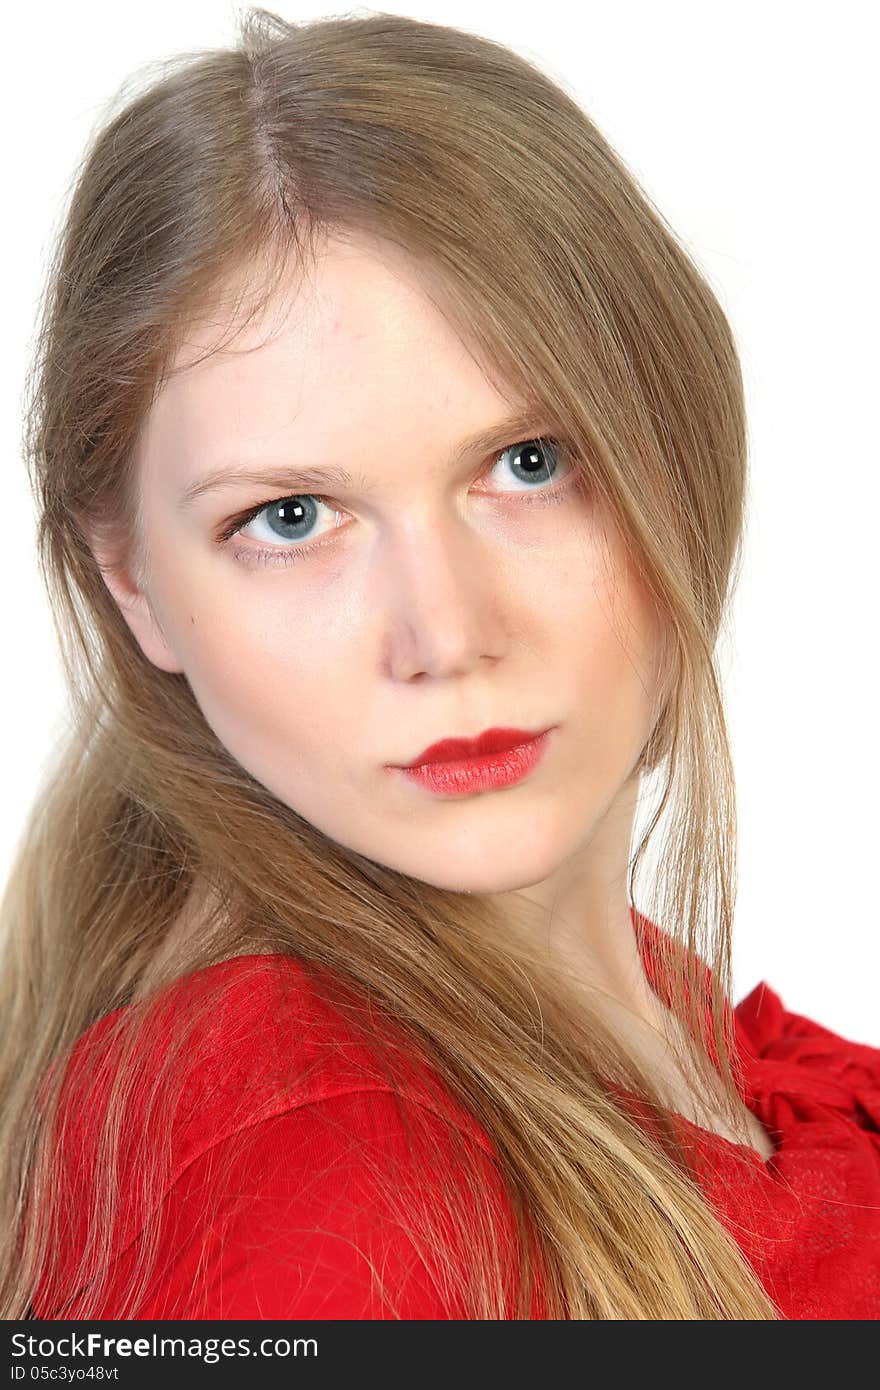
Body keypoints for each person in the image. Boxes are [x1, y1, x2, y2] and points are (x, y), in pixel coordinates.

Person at [2, 7, 877, 1321]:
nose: (447, 633)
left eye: (529, 463)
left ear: (678, 451)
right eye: (289, 518)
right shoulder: (316, 1172)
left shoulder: (647, 1025)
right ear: (136, 584)